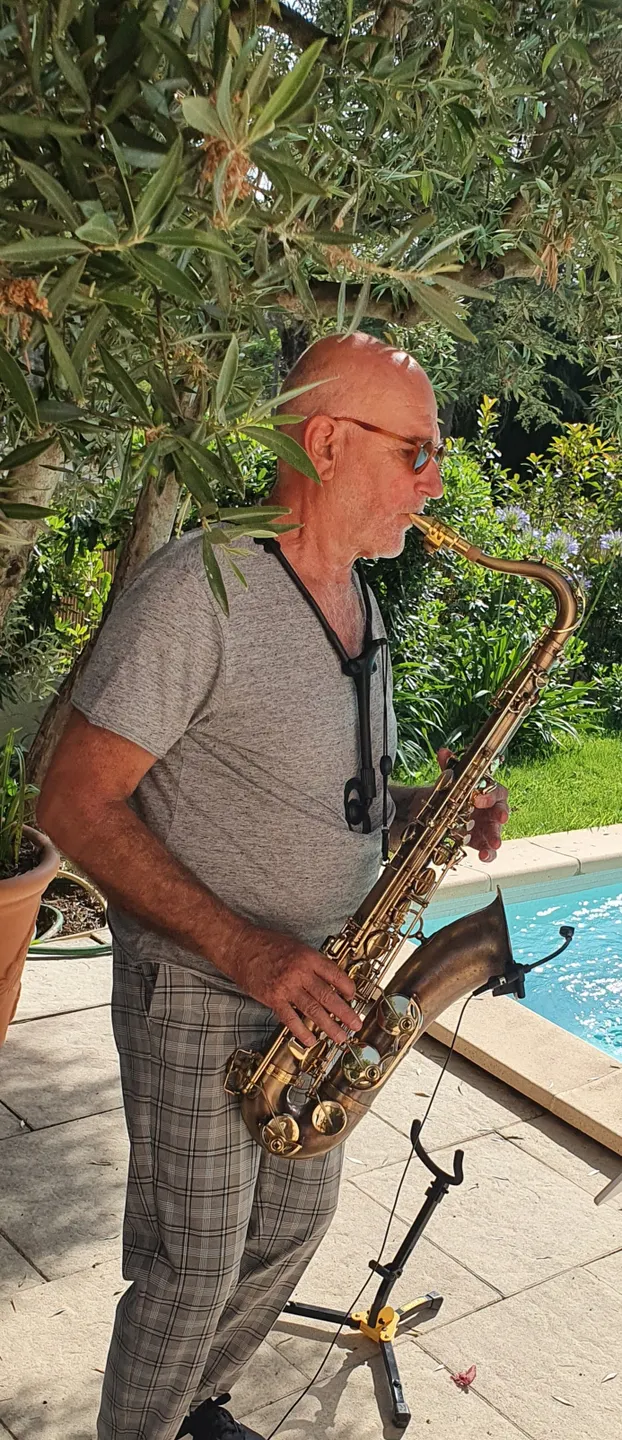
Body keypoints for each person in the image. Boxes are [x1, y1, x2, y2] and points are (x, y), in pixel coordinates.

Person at [36, 333, 509, 1440]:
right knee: (191, 1270)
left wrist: (421, 809)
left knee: (290, 1231)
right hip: (203, 985)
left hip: (324, 991)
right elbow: (73, 803)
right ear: (328, 442)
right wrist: (247, 949)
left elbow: (320, 790)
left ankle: (193, 1411)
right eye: (419, 453)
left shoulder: (359, 602)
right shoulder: (198, 590)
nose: (436, 483)